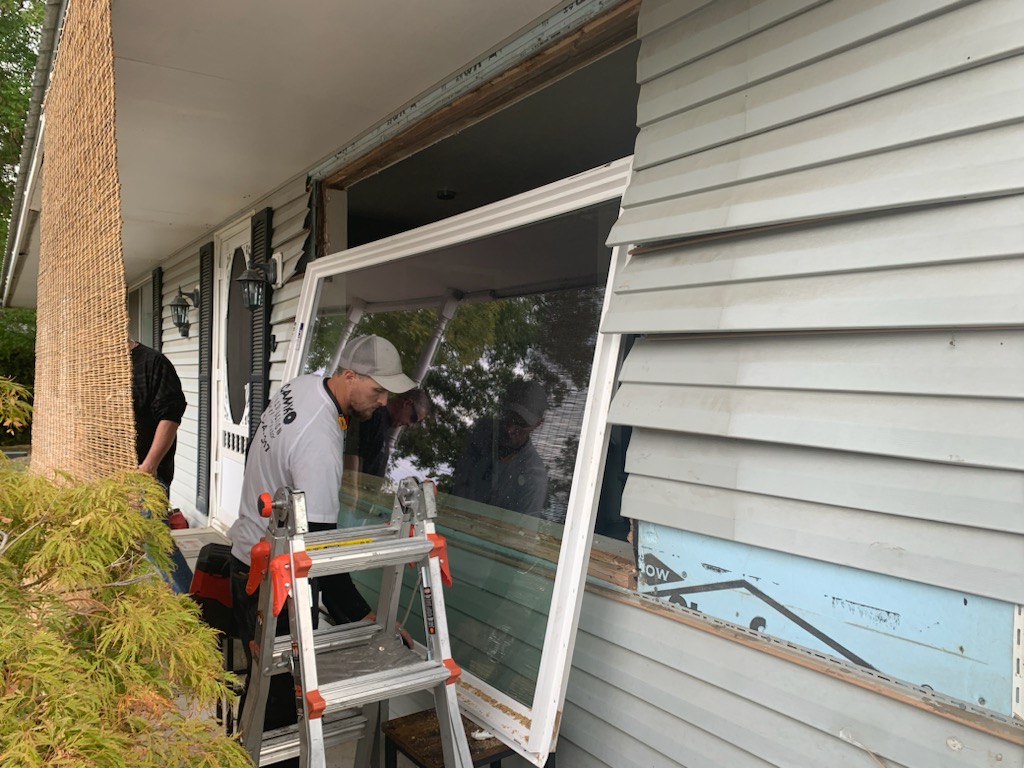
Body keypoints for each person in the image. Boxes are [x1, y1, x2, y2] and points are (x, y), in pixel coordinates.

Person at [228, 334, 416, 742]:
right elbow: (319, 558)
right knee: (280, 712)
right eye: (378, 390)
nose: (384, 401)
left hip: (247, 561)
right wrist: (369, 619)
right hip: (274, 587)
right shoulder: (321, 441)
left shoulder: (303, 387)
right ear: (349, 376)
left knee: (262, 697)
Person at [129, 338, 192, 593]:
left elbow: (170, 415)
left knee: (154, 543)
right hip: (108, 476)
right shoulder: (101, 365)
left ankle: (189, 603)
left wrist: (149, 465)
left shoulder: (152, 362)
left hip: (145, 476)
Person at [452, 378, 549, 517]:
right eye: (508, 416)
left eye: (521, 423)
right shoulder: (480, 434)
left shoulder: (533, 478)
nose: (510, 429)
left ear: (538, 424)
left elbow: (520, 529)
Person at [345, 388, 432, 479]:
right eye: (413, 418)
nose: (410, 425)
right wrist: (352, 487)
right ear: (406, 404)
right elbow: (352, 453)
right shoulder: (374, 415)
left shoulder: (384, 425)